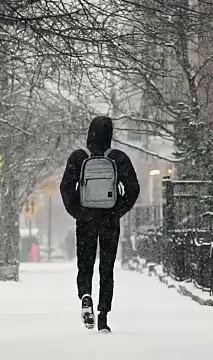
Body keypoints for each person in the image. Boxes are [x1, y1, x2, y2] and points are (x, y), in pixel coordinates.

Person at [59, 116, 140, 333]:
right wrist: (117, 210)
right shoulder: (118, 158)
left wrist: (79, 212)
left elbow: (66, 188)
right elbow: (133, 188)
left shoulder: (78, 157)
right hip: (109, 221)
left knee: (85, 264)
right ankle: (103, 315)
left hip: (85, 222)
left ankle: (85, 295)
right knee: (106, 268)